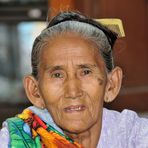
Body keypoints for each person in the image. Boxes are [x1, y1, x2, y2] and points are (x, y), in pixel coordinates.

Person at [0, 11, 148, 148]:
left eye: (86, 72)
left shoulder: (133, 136)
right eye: (57, 75)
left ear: (112, 84)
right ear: (35, 91)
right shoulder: (15, 140)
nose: (73, 91)